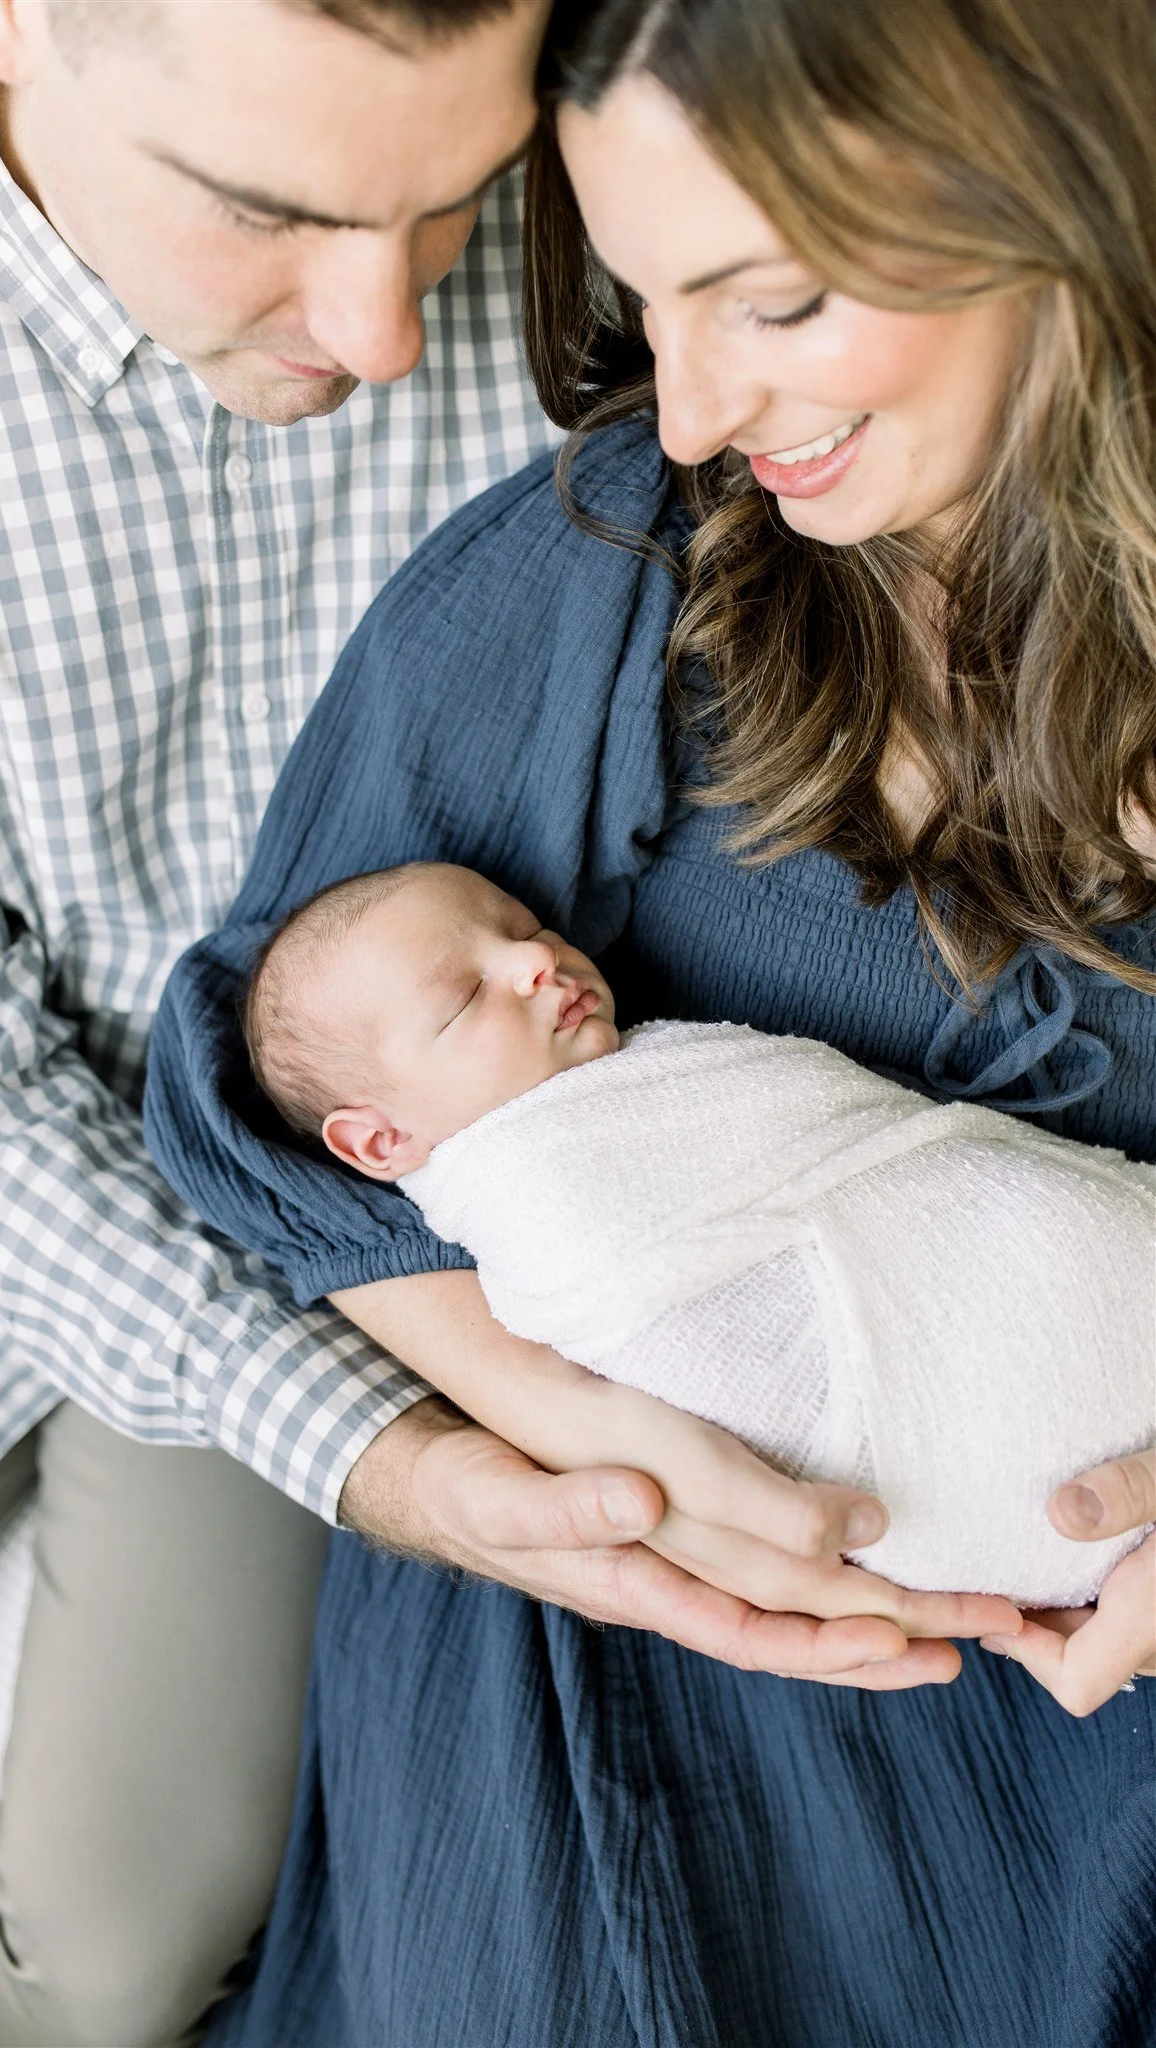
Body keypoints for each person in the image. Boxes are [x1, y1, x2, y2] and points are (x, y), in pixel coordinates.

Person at [143, 0, 1156, 2039]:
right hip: (623, 1701)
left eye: (766, 302)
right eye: (647, 301)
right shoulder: (614, 571)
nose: (688, 408)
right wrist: (591, 1440)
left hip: (1081, 1726)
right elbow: (268, 1111)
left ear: (1051, 196)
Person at [0, 0, 580, 2040]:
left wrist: (373, 1431)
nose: (391, 329)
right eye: (268, 209)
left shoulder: (615, 185)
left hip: (354, 1186)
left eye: (449, 208)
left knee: (110, 1955)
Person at [239, 857, 1154, 1605]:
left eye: (524, 930)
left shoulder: (649, 1075)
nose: (531, 964)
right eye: (463, 1000)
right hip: (925, 1464)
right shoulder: (538, 1200)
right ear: (381, 1141)